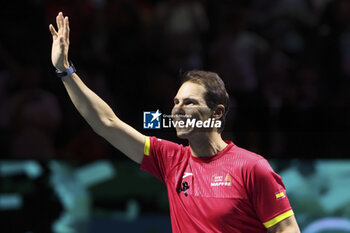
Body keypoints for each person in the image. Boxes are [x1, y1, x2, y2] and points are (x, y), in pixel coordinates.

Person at [49, 12, 301, 233]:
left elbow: (286, 228)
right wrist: (65, 71)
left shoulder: (252, 168)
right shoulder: (170, 161)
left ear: (216, 112)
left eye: (189, 102)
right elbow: (107, 123)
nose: (177, 109)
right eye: (176, 102)